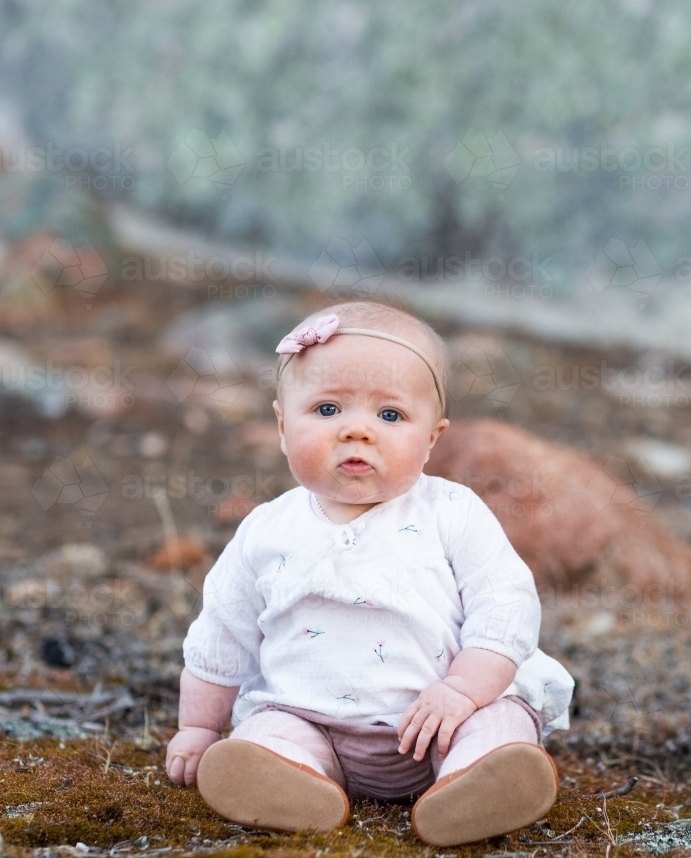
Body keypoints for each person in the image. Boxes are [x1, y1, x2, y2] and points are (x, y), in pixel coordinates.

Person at [165, 300, 574, 846]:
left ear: (432, 438)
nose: (357, 431)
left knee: (499, 722)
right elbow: (221, 632)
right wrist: (197, 728)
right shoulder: (266, 530)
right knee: (270, 733)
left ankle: (475, 783)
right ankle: (284, 780)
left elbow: (505, 607)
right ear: (283, 427)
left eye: (389, 416)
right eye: (328, 410)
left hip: (441, 718)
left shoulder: (452, 512)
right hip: (311, 722)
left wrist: (462, 689)